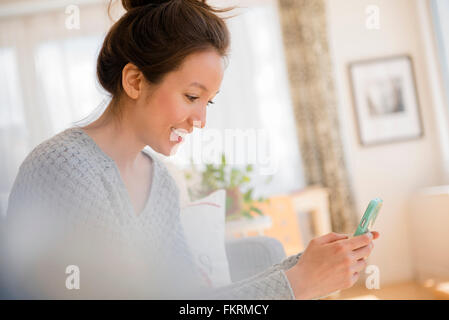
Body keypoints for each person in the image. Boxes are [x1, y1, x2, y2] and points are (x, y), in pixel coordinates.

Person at [1, 0, 379, 299]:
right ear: (134, 80)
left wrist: (306, 267)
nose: (200, 120)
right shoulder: (66, 167)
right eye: (192, 96)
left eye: (208, 102)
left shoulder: (159, 181)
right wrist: (297, 284)